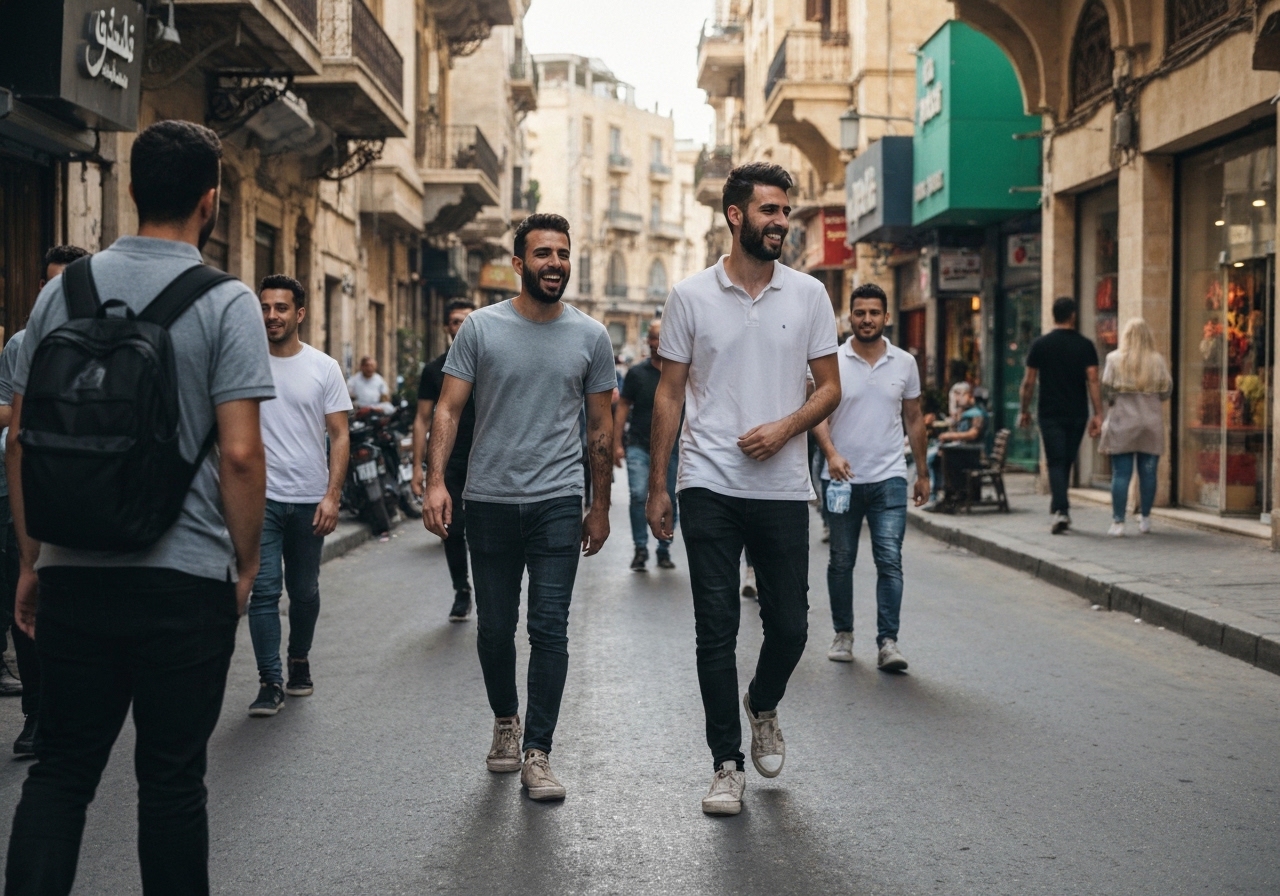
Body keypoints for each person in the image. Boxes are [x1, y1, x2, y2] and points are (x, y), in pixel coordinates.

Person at [4, 119, 274, 895]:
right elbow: (241, 453)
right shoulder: (226, 302)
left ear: (129, 188)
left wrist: (33, 559)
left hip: (73, 571)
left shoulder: (62, 292)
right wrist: (246, 563)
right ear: (210, 201)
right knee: (171, 781)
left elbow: (22, 439)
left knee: (61, 773)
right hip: (182, 579)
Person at [646, 162, 840, 817]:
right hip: (709, 482)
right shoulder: (689, 296)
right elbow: (670, 393)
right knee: (715, 628)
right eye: (769, 210)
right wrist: (658, 485)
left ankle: (763, 701)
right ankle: (725, 764)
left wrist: (786, 428)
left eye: (785, 211)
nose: (781, 222)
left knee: (790, 626)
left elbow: (830, 388)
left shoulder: (809, 295)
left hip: (782, 486)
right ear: (736, 215)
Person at [424, 213, 615, 803]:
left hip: (558, 498)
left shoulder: (591, 336)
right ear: (518, 262)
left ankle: (538, 752)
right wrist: (435, 482)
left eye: (563, 253)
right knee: (494, 628)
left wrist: (600, 505)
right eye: (543, 253)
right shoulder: (481, 329)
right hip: (490, 499)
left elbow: (600, 427)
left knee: (549, 627)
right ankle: (506, 720)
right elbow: (448, 409)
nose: (555, 263)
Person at [247, 274, 352, 717]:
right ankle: (269, 681)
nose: (271, 315)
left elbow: (340, 435)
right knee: (264, 590)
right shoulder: (245, 363)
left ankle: (299, 658)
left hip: (310, 497)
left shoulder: (323, 367)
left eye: (281, 308)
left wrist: (332, 496)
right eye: (265, 307)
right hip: (261, 499)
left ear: (300, 313)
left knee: (304, 591)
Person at [0, 245, 90, 757]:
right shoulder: (22, 344)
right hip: (33, 491)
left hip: (90, 492)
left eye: (68, 284)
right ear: (40, 288)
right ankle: (37, 713)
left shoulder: (107, 340)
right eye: (51, 283)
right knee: (28, 601)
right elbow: (10, 426)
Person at [811, 282, 929, 671]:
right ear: (850, 317)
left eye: (874, 313)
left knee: (889, 560)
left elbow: (914, 418)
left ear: (886, 317)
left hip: (889, 477)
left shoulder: (905, 363)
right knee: (841, 559)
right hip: (841, 480)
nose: (867, 319)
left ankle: (888, 642)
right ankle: (843, 634)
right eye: (860, 313)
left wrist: (923, 473)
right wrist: (831, 454)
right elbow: (817, 414)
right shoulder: (833, 360)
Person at [411, 299, 477, 621]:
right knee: (452, 527)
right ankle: (461, 590)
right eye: (454, 321)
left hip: (487, 461)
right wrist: (418, 468)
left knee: (486, 530)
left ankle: (490, 591)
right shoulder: (434, 370)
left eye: (466, 320)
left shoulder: (489, 365)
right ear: (446, 327)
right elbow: (422, 420)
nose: (460, 326)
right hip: (450, 461)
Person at [1019, 297, 1104, 534]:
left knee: (1056, 460)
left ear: (1054, 315)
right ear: (1073, 315)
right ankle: (1061, 507)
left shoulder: (1040, 345)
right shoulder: (1085, 345)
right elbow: (1093, 380)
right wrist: (1098, 413)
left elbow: (1028, 382)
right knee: (1065, 459)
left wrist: (1024, 410)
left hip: (1049, 412)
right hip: (1077, 412)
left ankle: (1060, 508)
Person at [613, 320, 679, 572]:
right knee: (639, 495)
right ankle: (640, 548)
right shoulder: (637, 373)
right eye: (652, 337)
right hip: (639, 445)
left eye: (660, 337)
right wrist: (616, 443)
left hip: (672, 447)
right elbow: (623, 407)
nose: (655, 343)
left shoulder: (679, 372)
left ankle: (664, 548)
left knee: (669, 496)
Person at [1099, 318, 1172, 536]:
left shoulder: (1113, 359)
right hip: (1150, 424)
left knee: (1121, 474)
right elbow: (1166, 391)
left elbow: (1106, 390)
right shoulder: (1157, 361)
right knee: (1148, 473)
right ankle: (1145, 519)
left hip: (1123, 423)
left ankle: (1118, 522)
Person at [924, 384, 985, 508]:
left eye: (961, 395)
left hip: (971, 455)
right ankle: (939, 494)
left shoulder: (976, 413)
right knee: (934, 457)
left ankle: (947, 495)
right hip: (963, 451)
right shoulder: (966, 413)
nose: (958, 398)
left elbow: (973, 434)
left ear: (970, 396)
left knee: (937, 458)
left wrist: (951, 436)